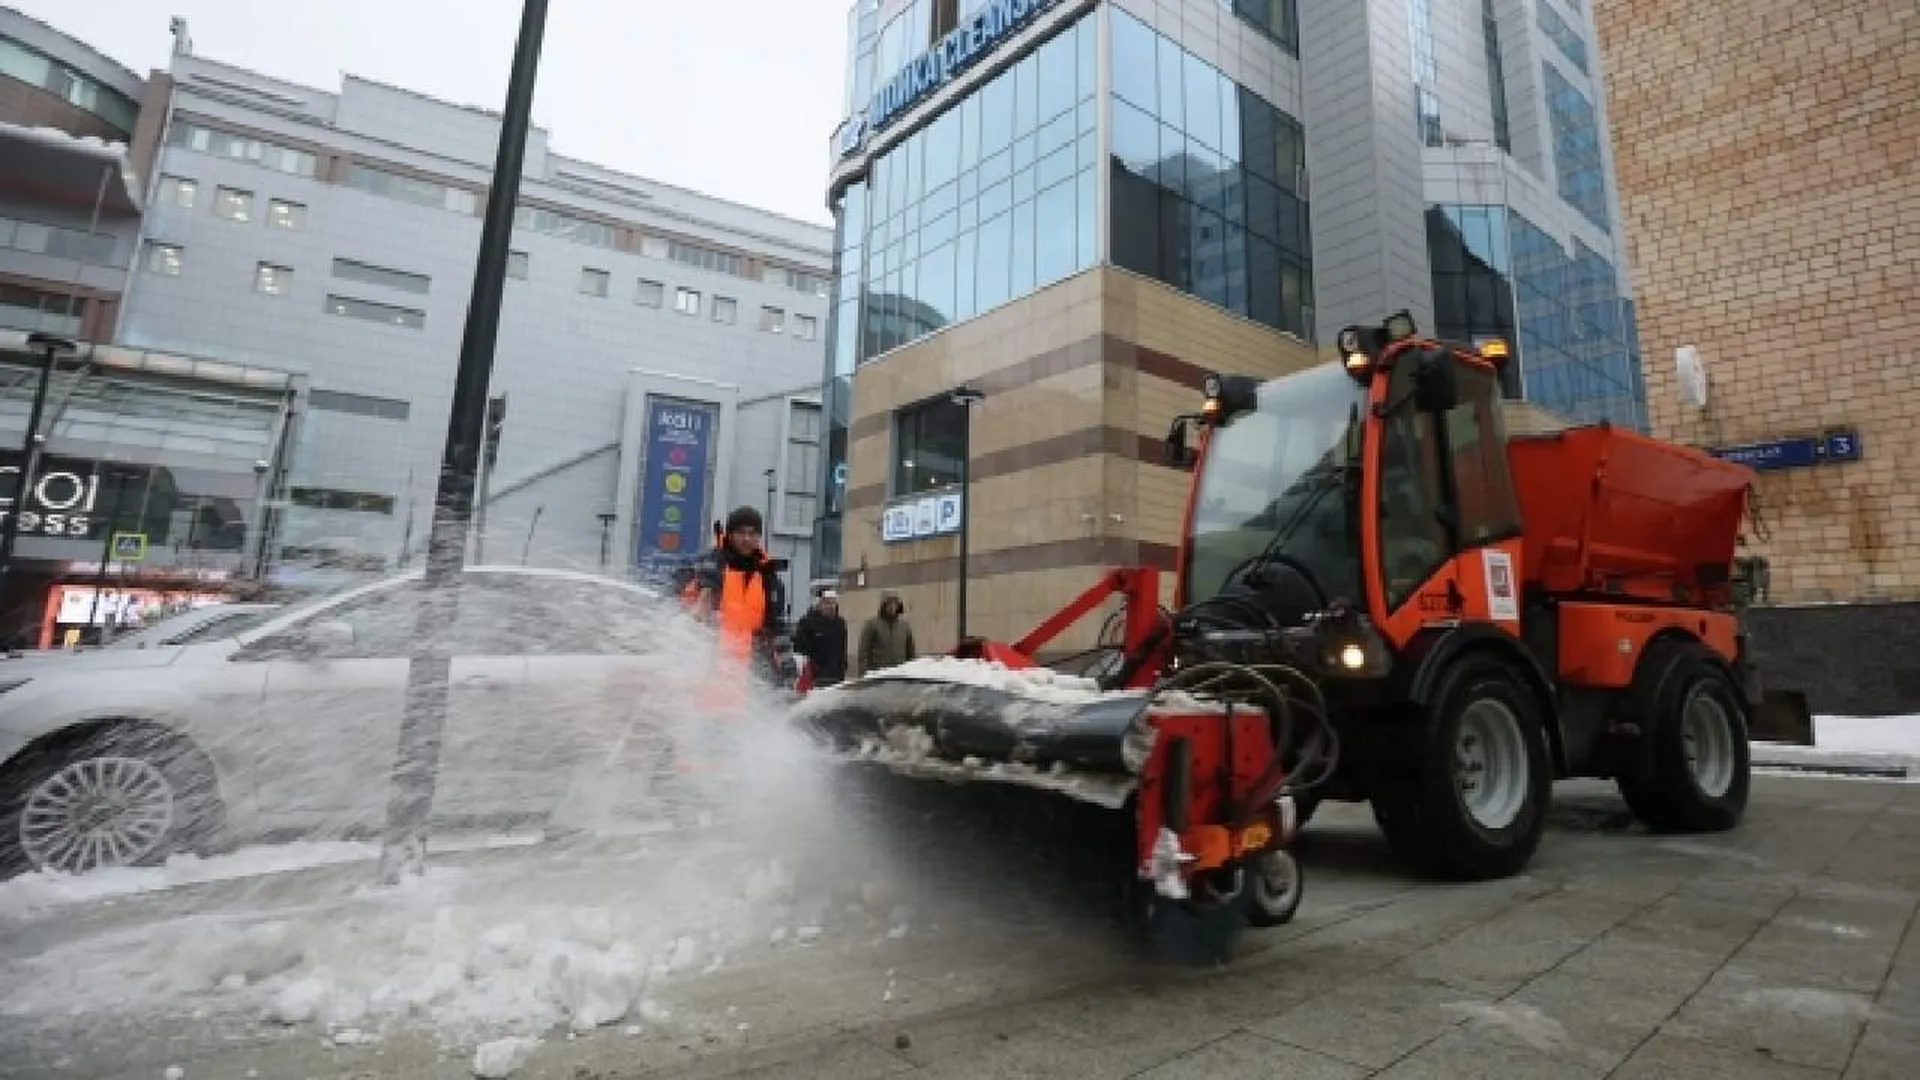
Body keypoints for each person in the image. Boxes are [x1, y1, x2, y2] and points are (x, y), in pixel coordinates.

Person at [690, 506, 786, 679]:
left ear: (759, 537)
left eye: (752, 533)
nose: (747, 538)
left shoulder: (769, 579)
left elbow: (776, 626)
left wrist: (787, 665)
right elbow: (689, 606)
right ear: (730, 534)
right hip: (709, 667)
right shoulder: (709, 565)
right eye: (741, 532)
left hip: (751, 671)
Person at [792, 589, 849, 689]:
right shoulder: (807, 623)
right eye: (827, 603)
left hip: (836, 674)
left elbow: (842, 647)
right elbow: (799, 650)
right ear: (819, 604)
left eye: (833, 603)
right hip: (815, 676)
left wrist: (843, 665)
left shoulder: (840, 623)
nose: (830, 606)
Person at [857, 590, 916, 676]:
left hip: (900, 674)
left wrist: (911, 672)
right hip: (878, 675)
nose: (892, 606)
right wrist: (864, 674)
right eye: (889, 603)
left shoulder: (905, 626)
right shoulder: (872, 624)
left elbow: (910, 652)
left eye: (895, 603)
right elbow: (863, 652)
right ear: (883, 605)